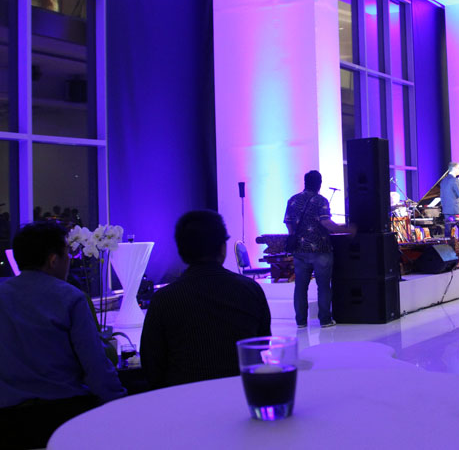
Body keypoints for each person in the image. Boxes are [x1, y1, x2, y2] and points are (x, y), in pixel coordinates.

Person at [0, 222, 126, 448]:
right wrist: (121, 404)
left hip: (7, 423)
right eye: (67, 253)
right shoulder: (70, 298)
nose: (70, 260)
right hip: (63, 418)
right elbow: (95, 367)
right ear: (53, 260)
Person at [140, 210, 271, 389]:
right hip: (243, 394)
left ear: (181, 251)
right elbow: (262, 344)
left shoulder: (163, 300)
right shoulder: (250, 290)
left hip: (184, 398)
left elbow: (151, 364)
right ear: (222, 247)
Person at [284, 170, 352, 329]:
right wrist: (345, 230)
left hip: (299, 249)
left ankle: (301, 321)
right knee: (323, 286)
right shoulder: (321, 200)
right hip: (320, 249)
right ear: (319, 184)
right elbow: (326, 223)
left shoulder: (293, 200)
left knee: (300, 287)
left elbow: (288, 222)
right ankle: (325, 320)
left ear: (305, 182)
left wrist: (293, 235)